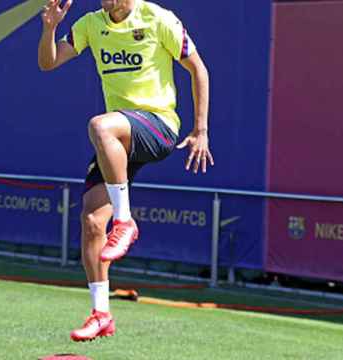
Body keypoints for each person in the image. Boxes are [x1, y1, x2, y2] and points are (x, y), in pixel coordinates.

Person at [38, 0, 213, 341]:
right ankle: (101, 313)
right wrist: (49, 30)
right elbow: (48, 63)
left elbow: (199, 69)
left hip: (159, 125)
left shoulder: (158, 19)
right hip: (120, 138)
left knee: (100, 126)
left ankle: (125, 220)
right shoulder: (91, 24)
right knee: (90, 222)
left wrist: (201, 130)